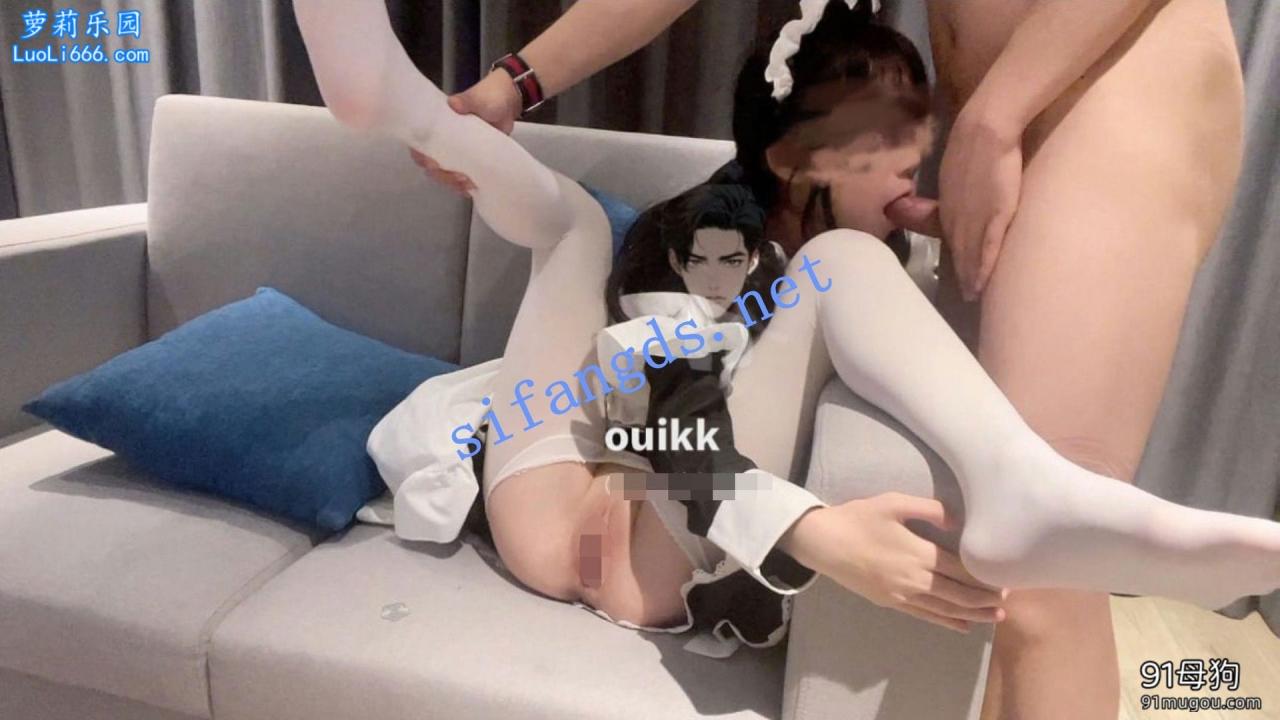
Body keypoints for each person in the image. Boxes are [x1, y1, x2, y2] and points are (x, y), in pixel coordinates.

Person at [292, 0, 1280, 672]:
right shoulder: (699, 238)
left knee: (798, 260)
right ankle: (407, 109)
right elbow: (667, 430)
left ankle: (1020, 480)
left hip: (628, 520)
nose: (915, 178)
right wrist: (815, 534)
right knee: (576, 228)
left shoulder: (841, 264)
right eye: (894, 161)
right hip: (571, 520)